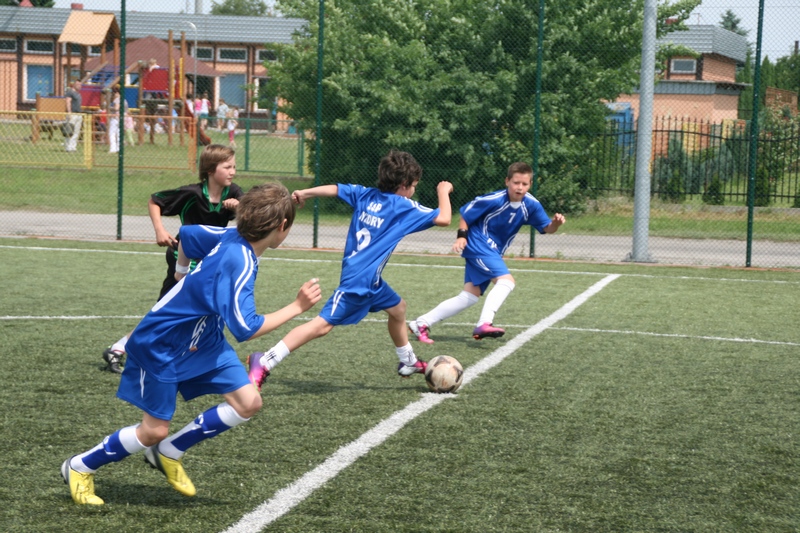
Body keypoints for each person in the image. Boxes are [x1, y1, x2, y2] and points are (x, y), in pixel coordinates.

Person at [61, 183, 323, 506]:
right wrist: (297, 306)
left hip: (204, 339)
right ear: (282, 226)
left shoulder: (231, 236)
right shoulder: (240, 261)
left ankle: (168, 452)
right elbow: (246, 328)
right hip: (163, 344)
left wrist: (180, 272)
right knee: (153, 430)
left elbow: (187, 235)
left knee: (248, 402)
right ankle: (79, 466)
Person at [247, 150, 453, 391]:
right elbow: (444, 218)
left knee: (398, 308)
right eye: (414, 186)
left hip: (372, 281)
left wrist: (305, 193)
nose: (414, 191)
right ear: (404, 184)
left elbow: (335, 189)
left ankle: (408, 361)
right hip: (357, 283)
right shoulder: (402, 206)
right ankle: (265, 360)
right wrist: (443, 191)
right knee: (321, 326)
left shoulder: (365, 194)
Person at [102, 145, 244, 373]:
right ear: (210, 170)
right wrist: (160, 230)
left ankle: (124, 348)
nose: (233, 171)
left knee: (176, 310)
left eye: (234, 166)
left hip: (208, 261)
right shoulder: (192, 194)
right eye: (227, 167)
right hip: (183, 258)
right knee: (173, 310)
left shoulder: (234, 192)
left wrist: (241, 207)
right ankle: (124, 348)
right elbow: (154, 201)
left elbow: (253, 215)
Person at [408, 162, 565, 343]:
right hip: (479, 245)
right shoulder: (494, 199)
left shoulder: (531, 205)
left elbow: (547, 228)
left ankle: (421, 323)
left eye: (524, 184)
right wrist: (461, 236)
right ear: (507, 181)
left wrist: (556, 224)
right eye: (516, 182)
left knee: (469, 296)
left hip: (492, 251)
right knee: (506, 281)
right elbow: (466, 214)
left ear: (530, 184)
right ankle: (484, 323)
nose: (520, 187)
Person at [64, 80, 83, 152]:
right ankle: (68, 147)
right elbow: (68, 102)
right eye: (77, 84)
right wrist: (69, 113)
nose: (79, 86)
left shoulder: (78, 94)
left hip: (78, 114)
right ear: (74, 84)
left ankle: (73, 147)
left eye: (80, 84)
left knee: (76, 132)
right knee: (69, 131)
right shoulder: (70, 92)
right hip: (72, 114)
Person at [108, 86, 121, 153]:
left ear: (117, 93)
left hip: (115, 118)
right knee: (118, 134)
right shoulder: (123, 99)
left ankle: (113, 148)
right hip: (120, 118)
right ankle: (119, 148)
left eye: (114, 93)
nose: (113, 95)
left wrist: (110, 108)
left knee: (112, 133)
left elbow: (116, 108)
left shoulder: (117, 99)